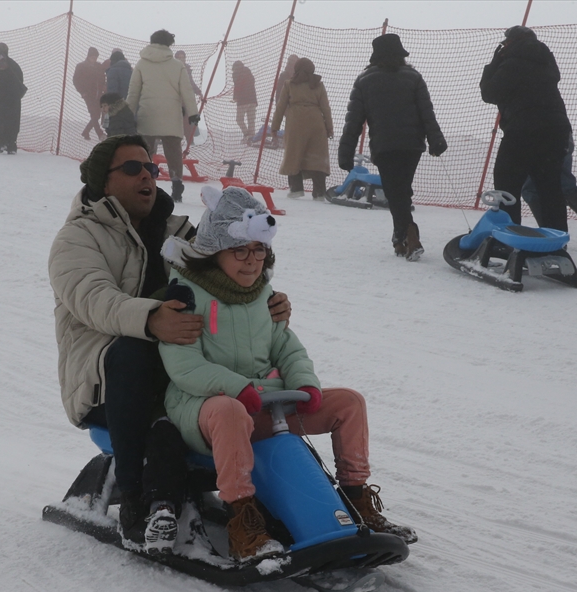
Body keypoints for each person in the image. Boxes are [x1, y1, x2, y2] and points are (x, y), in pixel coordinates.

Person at [46, 135, 293, 543]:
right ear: (102, 181)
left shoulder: (179, 232)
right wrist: (152, 319)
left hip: (182, 374)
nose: (147, 175)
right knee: (134, 351)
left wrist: (263, 298)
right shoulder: (77, 238)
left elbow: (231, 262)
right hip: (106, 381)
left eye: (151, 168)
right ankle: (134, 498)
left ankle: (277, 495)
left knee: (260, 356)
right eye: (132, 168)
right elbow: (93, 300)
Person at [157, 185, 415, 562]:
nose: (251, 261)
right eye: (240, 251)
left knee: (349, 402)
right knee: (229, 412)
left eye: (258, 250)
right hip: (205, 409)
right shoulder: (187, 296)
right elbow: (185, 367)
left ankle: (357, 500)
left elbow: (286, 346)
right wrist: (236, 388)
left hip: (266, 402)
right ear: (215, 252)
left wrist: (304, 383)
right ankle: (243, 522)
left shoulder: (263, 293)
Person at [339, 33, 447, 261]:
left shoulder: (364, 80)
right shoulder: (414, 77)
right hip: (412, 146)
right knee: (402, 190)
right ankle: (401, 239)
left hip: (385, 145)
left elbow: (354, 121)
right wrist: (436, 139)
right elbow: (427, 112)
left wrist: (346, 151)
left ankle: (409, 233)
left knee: (395, 192)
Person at [480, 26, 571, 243]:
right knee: (550, 187)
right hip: (556, 129)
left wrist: (493, 64)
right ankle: (556, 241)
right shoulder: (546, 61)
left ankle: (508, 239)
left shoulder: (512, 62)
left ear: (510, 42)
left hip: (522, 129)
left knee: (506, 185)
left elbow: (489, 92)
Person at [127, 30, 199, 202]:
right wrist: (193, 113)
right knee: (173, 152)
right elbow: (187, 91)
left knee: (146, 153)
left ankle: (144, 183)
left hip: (148, 115)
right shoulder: (177, 66)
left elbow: (133, 92)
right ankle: (176, 184)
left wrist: (128, 112)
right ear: (169, 45)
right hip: (171, 116)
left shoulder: (142, 64)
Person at [522, 135, 577, 250]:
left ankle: (551, 236)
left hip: (538, 137)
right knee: (564, 183)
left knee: (531, 188)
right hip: (563, 135)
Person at [271, 58, 334, 200]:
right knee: (317, 157)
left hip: (295, 123)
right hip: (316, 123)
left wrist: (275, 127)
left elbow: (280, 108)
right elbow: (326, 108)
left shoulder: (289, 84)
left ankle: (296, 188)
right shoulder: (319, 85)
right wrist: (329, 128)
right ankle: (319, 192)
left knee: (294, 154)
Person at [73, 47, 106, 141]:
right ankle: (100, 134)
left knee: (97, 115)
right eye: (93, 56)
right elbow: (76, 80)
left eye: (96, 57)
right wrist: (82, 92)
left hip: (98, 94)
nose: (94, 58)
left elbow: (103, 78)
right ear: (88, 56)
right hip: (87, 94)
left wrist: (103, 86)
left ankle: (86, 131)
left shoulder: (99, 66)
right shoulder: (81, 66)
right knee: (93, 114)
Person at [174, 50, 203, 152]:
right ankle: (175, 139)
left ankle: (190, 139)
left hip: (187, 99)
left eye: (183, 57)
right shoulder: (172, 69)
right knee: (176, 120)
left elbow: (191, 83)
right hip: (176, 99)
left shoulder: (187, 69)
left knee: (188, 120)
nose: (182, 60)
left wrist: (198, 91)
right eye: (179, 58)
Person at [231, 61, 257, 143]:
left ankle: (246, 135)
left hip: (243, 101)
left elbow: (237, 86)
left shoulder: (236, 74)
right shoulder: (249, 73)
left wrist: (235, 98)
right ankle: (252, 137)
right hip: (253, 100)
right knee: (251, 120)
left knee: (239, 119)